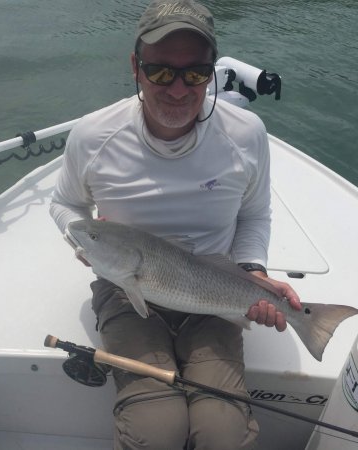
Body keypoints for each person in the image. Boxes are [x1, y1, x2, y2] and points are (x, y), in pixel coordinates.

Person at [50, 1, 301, 448]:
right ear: (136, 67)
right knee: (155, 431)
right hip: (124, 290)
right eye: (161, 72)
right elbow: (66, 204)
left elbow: (255, 214)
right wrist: (84, 238)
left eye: (196, 73)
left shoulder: (246, 133)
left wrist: (253, 271)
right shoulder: (93, 136)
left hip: (216, 288)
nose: (179, 89)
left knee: (223, 433)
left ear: (210, 72)